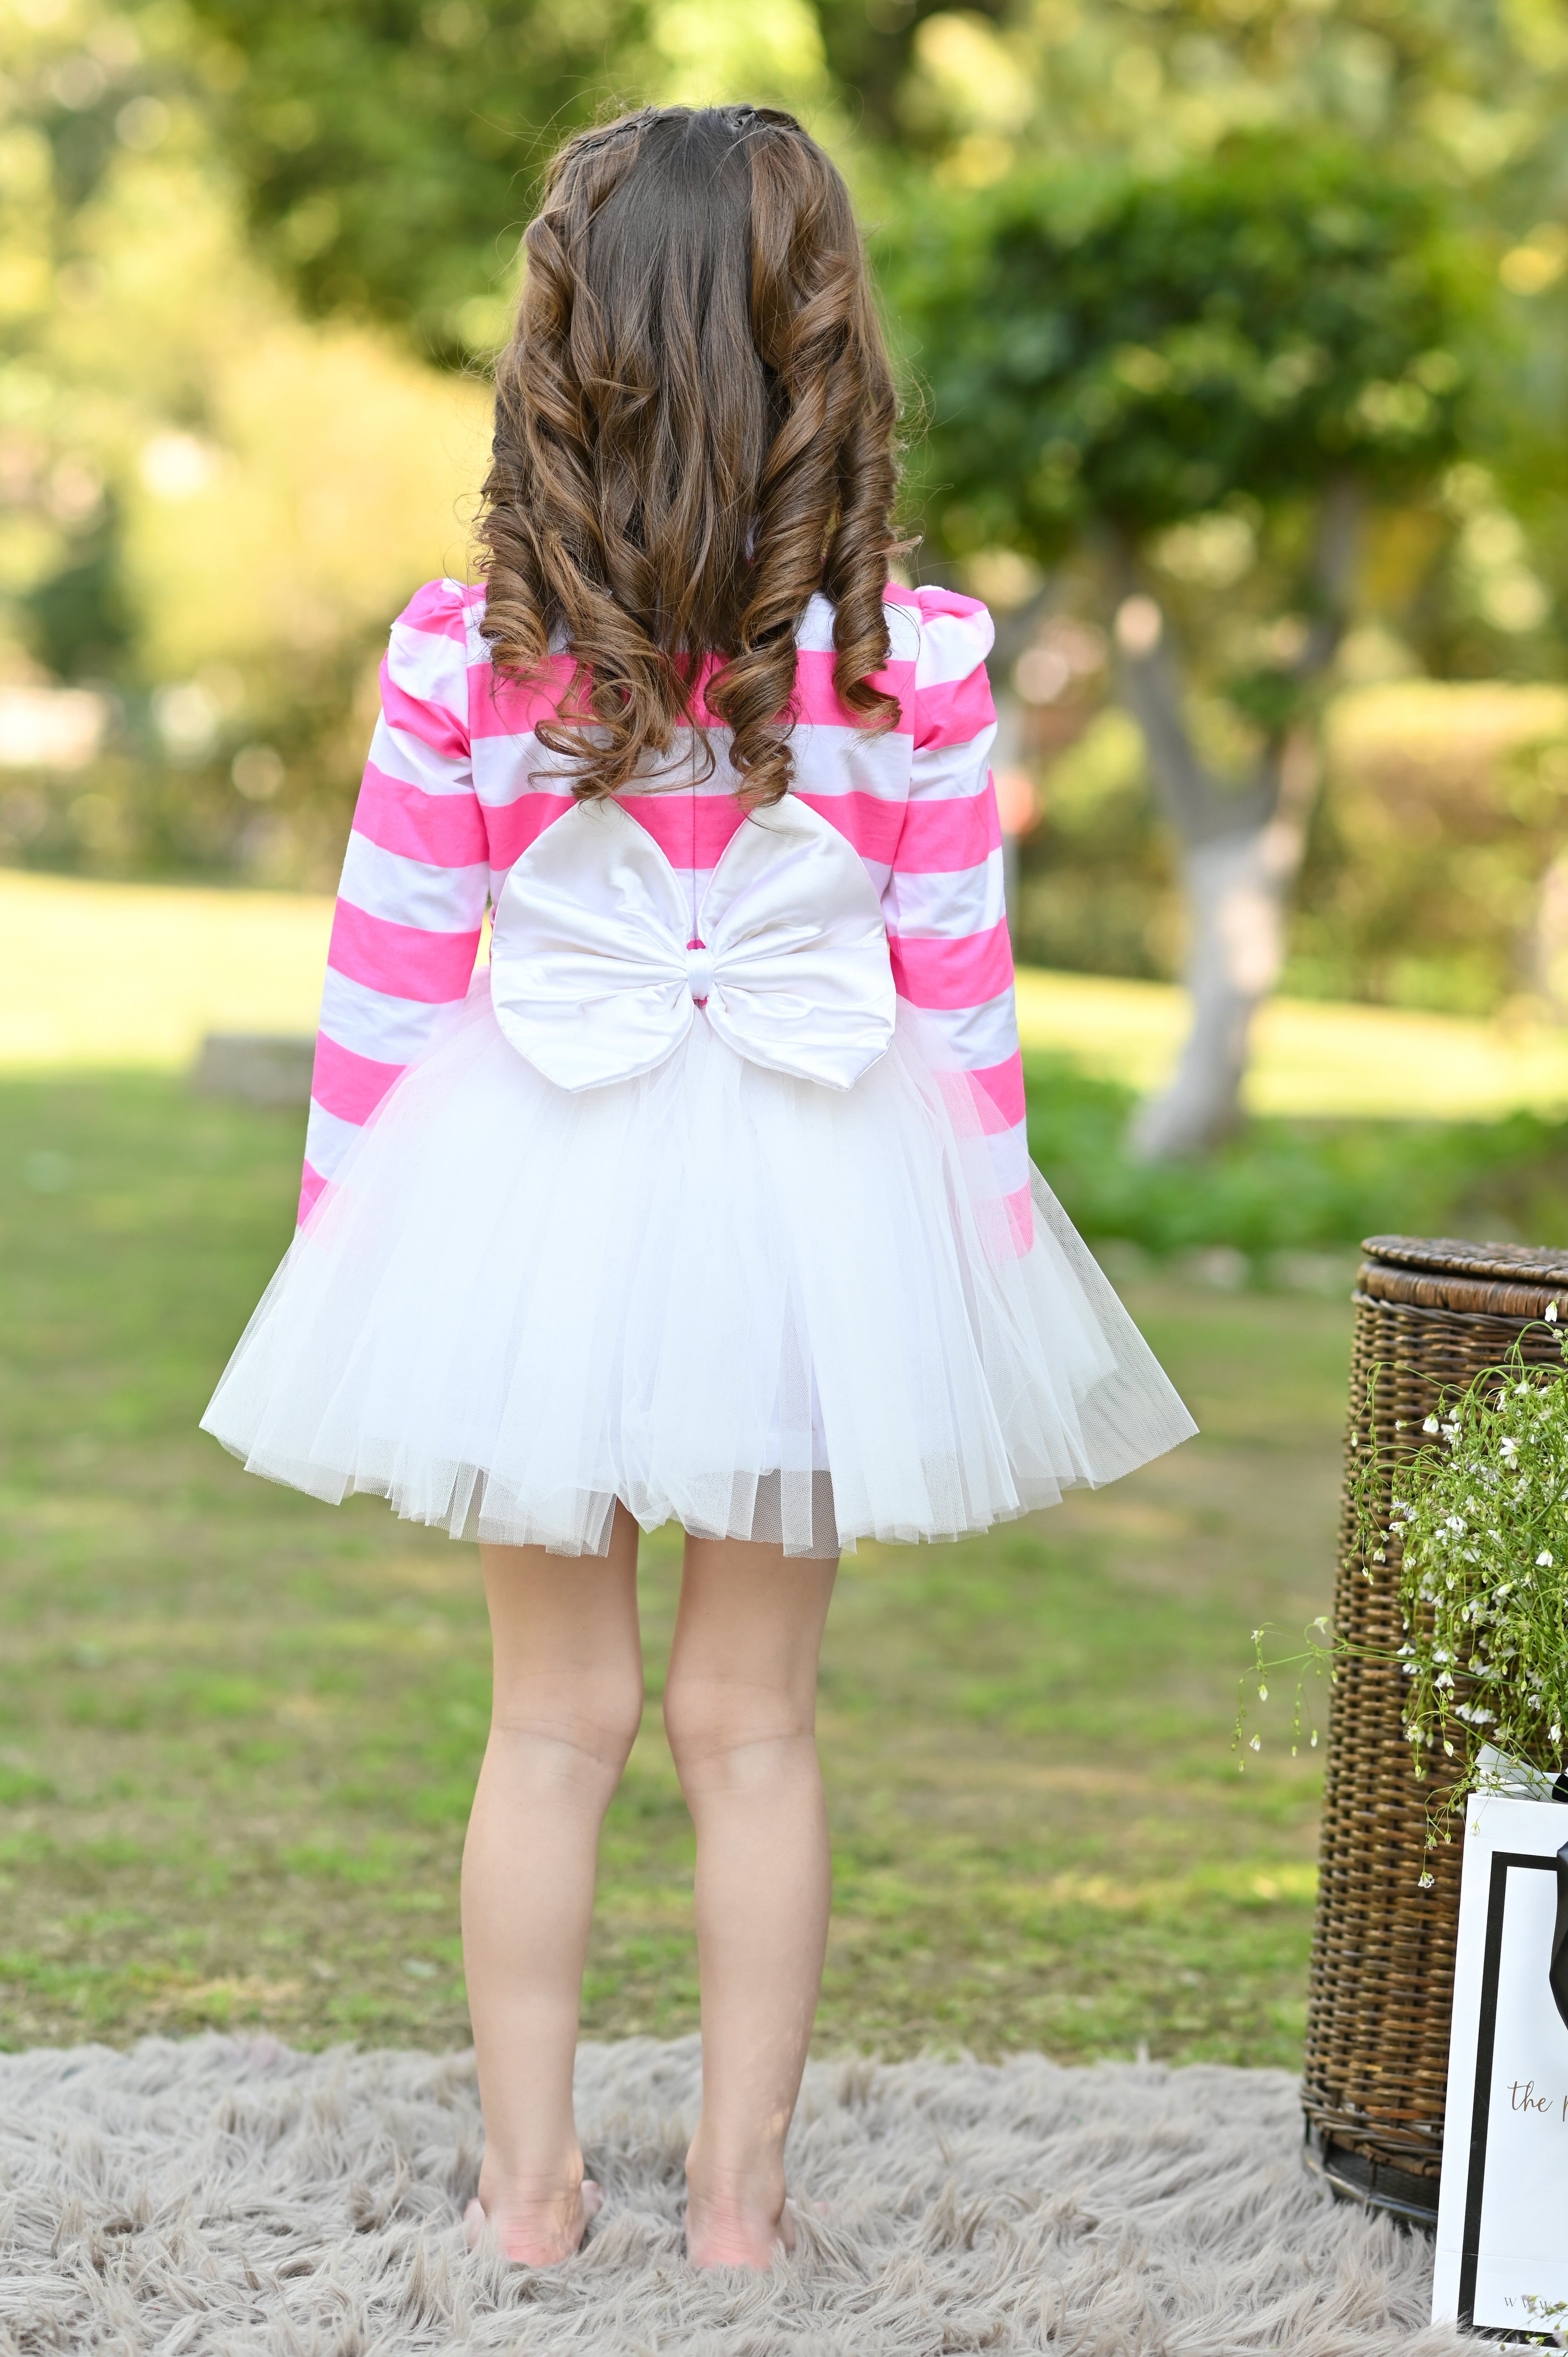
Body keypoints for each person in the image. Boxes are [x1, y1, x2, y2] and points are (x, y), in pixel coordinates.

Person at [201, 103, 1195, 2274]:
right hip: (817, 1212)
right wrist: (985, 1245)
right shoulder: (913, 655)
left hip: (524, 1199)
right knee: (758, 1723)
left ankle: (532, 2199)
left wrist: (355, 1250)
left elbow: (385, 973)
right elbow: (956, 997)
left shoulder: (467, 649)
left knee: (549, 1720)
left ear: (566, 341)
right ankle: (741, 2215)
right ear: (820, 337)